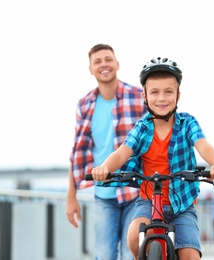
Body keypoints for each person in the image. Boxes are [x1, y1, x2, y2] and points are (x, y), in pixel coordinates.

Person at [91, 57, 214, 259]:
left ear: (178, 95)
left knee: (190, 254)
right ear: (145, 96)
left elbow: (203, 144)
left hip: (181, 204)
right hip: (149, 201)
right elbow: (122, 152)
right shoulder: (142, 127)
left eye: (168, 92)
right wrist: (103, 168)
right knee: (134, 235)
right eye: (154, 92)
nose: (161, 98)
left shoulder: (187, 123)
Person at [66, 43, 147, 260]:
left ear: (117, 64)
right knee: (104, 255)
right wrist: (71, 197)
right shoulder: (85, 105)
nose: (104, 65)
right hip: (103, 193)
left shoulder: (139, 97)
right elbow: (77, 152)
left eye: (108, 59)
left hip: (136, 191)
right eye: (97, 61)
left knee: (132, 255)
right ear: (90, 69)